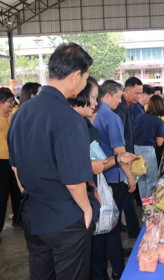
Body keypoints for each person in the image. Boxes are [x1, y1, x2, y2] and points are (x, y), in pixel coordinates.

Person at [7, 43, 97, 280]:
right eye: (85, 78)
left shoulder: (22, 112)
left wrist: (29, 191)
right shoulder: (69, 118)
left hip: (34, 215)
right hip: (65, 217)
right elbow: (74, 180)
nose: (84, 84)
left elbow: (15, 165)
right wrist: (86, 209)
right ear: (75, 75)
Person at [93, 80, 139, 278]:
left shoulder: (91, 117)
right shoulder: (111, 118)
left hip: (96, 179)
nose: (120, 101)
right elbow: (120, 153)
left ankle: (101, 268)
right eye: (118, 96)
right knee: (110, 227)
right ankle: (118, 269)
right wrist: (131, 177)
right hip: (112, 177)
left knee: (100, 226)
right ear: (107, 95)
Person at [114, 77, 142, 239]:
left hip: (127, 158)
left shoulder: (128, 108)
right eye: (136, 93)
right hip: (121, 161)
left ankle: (132, 229)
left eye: (140, 93)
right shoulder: (120, 109)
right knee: (126, 195)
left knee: (127, 197)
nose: (138, 96)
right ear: (127, 90)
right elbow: (120, 141)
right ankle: (133, 230)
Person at [134, 95, 164, 199]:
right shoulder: (158, 121)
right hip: (148, 151)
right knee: (151, 180)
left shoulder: (139, 116)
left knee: (141, 180)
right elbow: (159, 142)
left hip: (135, 150)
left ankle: (144, 205)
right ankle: (149, 207)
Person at [0, 89, 22, 237]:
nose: (12, 104)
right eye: (9, 102)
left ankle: (18, 220)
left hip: (13, 161)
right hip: (0, 162)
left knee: (17, 192)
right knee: (1, 197)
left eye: (13, 101)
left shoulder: (12, 116)